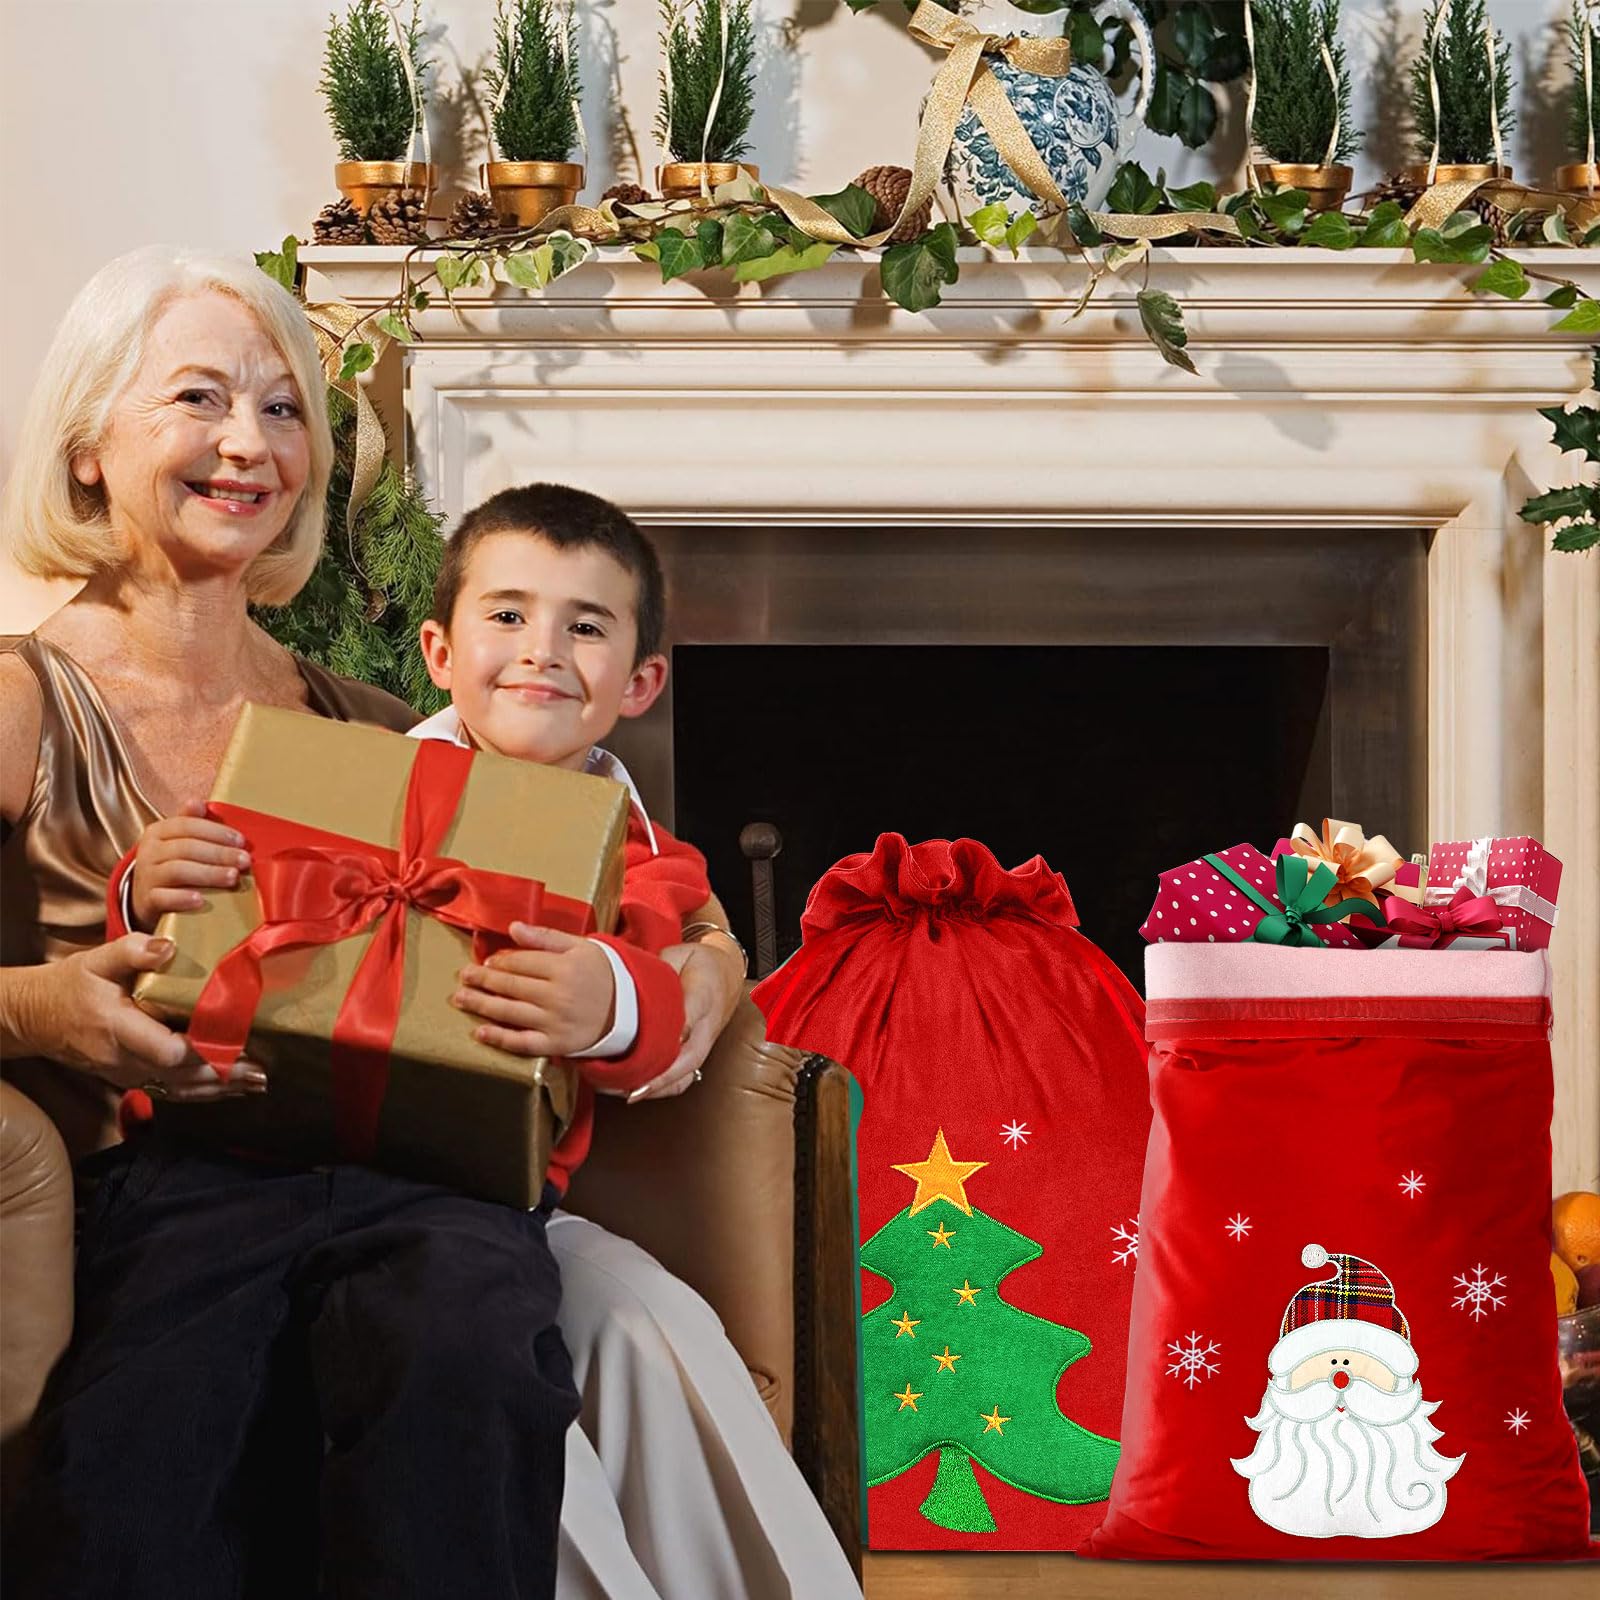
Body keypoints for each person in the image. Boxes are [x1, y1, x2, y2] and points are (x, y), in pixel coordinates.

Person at [1, 249, 856, 1600]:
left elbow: (613, 877)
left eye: (285, 409)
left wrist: (676, 987)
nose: (248, 443)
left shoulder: (376, 731)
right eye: (200, 398)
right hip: (173, 1185)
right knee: (142, 1449)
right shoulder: (24, 698)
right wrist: (43, 1004)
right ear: (88, 444)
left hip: (428, 1186)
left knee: (469, 1364)